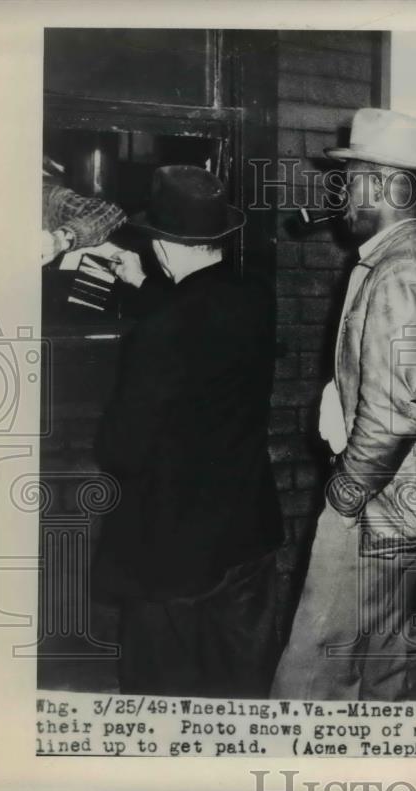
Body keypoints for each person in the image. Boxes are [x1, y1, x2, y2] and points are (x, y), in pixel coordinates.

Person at [270, 108, 416, 700]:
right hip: (399, 507)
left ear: (379, 186)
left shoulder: (399, 273)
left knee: (312, 679)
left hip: (374, 507)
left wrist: (342, 501)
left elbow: (392, 415)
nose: (342, 194)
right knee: (381, 670)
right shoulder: (412, 261)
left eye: (349, 180)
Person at [92, 165, 283, 697]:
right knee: (242, 686)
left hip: (173, 552)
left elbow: (122, 449)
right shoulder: (256, 299)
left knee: (163, 692)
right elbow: (202, 325)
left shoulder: (161, 329)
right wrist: (146, 287)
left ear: (164, 246)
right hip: (247, 532)